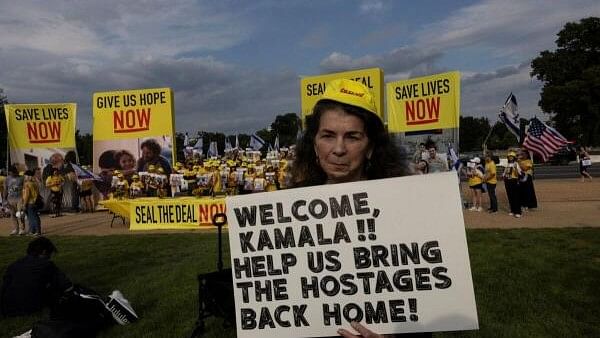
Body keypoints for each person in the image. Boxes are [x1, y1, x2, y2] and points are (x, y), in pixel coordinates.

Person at [290, 79, 417, 338]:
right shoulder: (289, 209)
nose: (338, 149)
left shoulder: (404, 206)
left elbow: (422, 298)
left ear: (370, 147)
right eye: (327, 136)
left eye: (352, 137)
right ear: (314, 144)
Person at [1, 237, 73, 316]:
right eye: (49, 254)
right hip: (31, 306)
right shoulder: (47, 265)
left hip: (7, 305)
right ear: (44, 252)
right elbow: (67, 286)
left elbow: (5, 286)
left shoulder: (14, 265)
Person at [3, 165, 25, 235]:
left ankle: (22, 229)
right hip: (10, 199)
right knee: (13, 215)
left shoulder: (22, 178)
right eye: (11, 173)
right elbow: (5, 189)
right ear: (9, 172)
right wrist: (4, 199)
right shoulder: (7, 179)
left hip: (19, 198)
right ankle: (16, 229)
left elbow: (25, 188)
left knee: (20, 214)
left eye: (14, 172)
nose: (13, 174)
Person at [22, 170, 42, 235]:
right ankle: (33, 230)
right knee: (35, 216)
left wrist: (24, 204)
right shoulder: (35, 183)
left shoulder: (27, 184)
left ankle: (36, 231)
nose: (24, 177)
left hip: (30, 203)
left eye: (25, 176)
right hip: (35, 202)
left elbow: (26, 195)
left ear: (28, 176)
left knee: (32, 218)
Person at [502, 151, 522, 218]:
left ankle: (518, 211)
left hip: (514, 180)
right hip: (508, 181)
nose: (510, 157)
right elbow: (504, 173)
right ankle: (512, 210)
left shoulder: (516, 164)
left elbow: (518, 174)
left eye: (511, 156)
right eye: (509, 156)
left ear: (514, 157)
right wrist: (504, 177)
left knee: (516, 197)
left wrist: (515, 168)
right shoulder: (507, 165)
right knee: (510, 196)